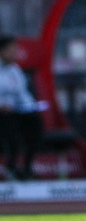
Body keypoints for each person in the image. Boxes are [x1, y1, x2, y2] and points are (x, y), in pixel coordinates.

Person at [0, 36, 44, 181]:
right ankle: (11, 167)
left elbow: (22, 93)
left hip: (16, 111)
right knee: (9, 126)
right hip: (3, 113)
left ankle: (27, 168)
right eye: (11, 50)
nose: (15, 53)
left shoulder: (15, 69)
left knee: (35, 124)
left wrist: (32, 105)